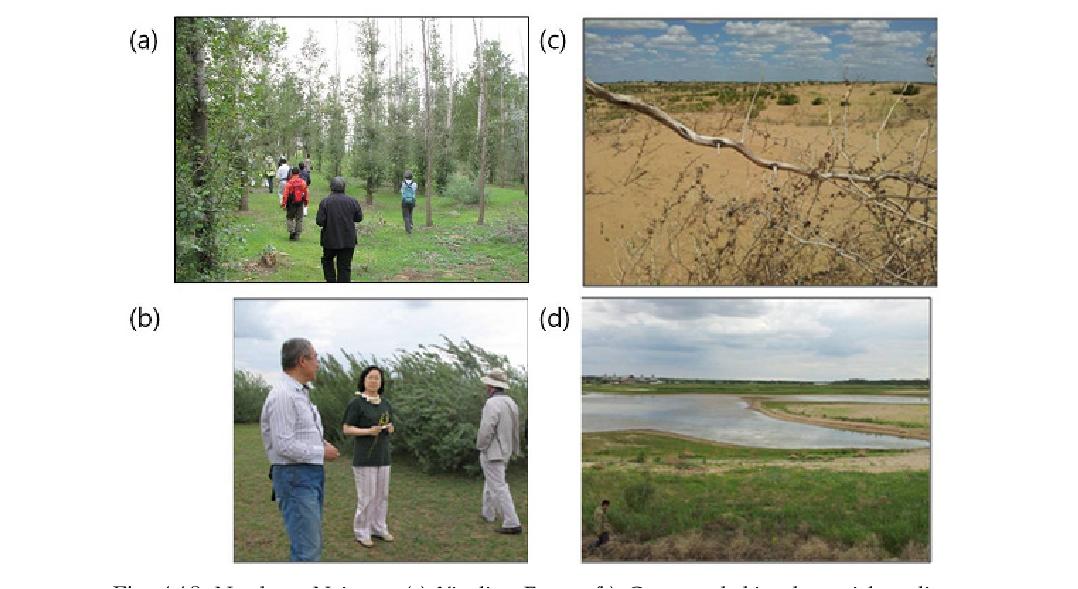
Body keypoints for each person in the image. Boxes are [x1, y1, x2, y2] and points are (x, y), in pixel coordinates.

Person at [260, 338, 340, 562]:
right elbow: (284, 445)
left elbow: (302, 433)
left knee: (309, 544)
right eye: (315, 358)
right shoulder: (284, 395)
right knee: (307, 550)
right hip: (295, 477)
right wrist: (322, 452)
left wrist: (322, 444)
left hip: (307, 475)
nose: (318, 363)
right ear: (301, 361)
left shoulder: (299, 392)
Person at [342, 366, 396, 547]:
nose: (374, 381)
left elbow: (391, 424)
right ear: (364, 380)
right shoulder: (356, 403)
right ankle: (362, 531)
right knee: (367, 496)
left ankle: (379, 527)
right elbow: (347, 428)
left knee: (382, 495)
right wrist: (367, 431)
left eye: (377, 378)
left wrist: (389, 428)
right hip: (365, 457)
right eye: (371, 378)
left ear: (381, 382)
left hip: (383, 456)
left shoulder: (385, 403)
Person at [476, 369, 522, 534]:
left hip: (493, 451)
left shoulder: (492, 403)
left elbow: (487, 428)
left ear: (492, 386)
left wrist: (481, 445)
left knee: (499, 486)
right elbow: (515, 429)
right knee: (491, 482)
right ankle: (488, 513)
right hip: (505, 450)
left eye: (488, 384)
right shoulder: (511, 402)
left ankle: (512, 522)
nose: (486, 387)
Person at [315, 176, 363, 282]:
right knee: (345, 266)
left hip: (330, 239)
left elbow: (319, 221)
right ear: (344, 187)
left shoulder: (325, 202)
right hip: (348, 240)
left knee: (327, 261)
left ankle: (331, 282)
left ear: (331, 187)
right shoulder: (352, 201)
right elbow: (358, 218)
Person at [281, 167, 309, 241]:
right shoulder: (303, 182)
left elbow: (285, 194)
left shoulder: (289, 183)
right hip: (300, 203)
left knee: (289, 218)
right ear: (299, 173)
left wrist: (284, 204)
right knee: (299, 219)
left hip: (291, 203)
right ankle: (297, 234)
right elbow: (306, 193)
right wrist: (306, 202)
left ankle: (292, 231)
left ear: (291, 173)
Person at [400, 170, 417, 235]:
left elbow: (401, 190)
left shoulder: (402, 183)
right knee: (410, 214)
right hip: (412, 201)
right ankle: (411, 224)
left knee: (405, 216)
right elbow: (414, 191)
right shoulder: (414, 184)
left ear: (405, 176)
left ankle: (408, 229)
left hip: (404, 201)